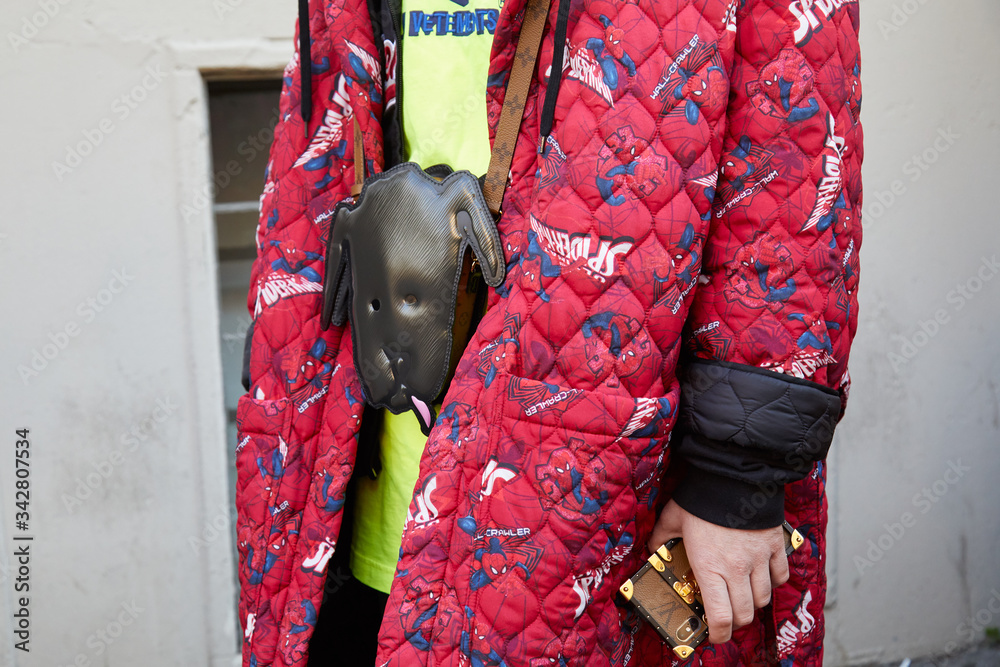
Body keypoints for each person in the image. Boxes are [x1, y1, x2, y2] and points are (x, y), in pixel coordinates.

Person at [234, 0, 863, 664]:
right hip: (349, 499)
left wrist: (736, 479)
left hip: (594, 506)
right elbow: (318, 154)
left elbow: (791, 172)